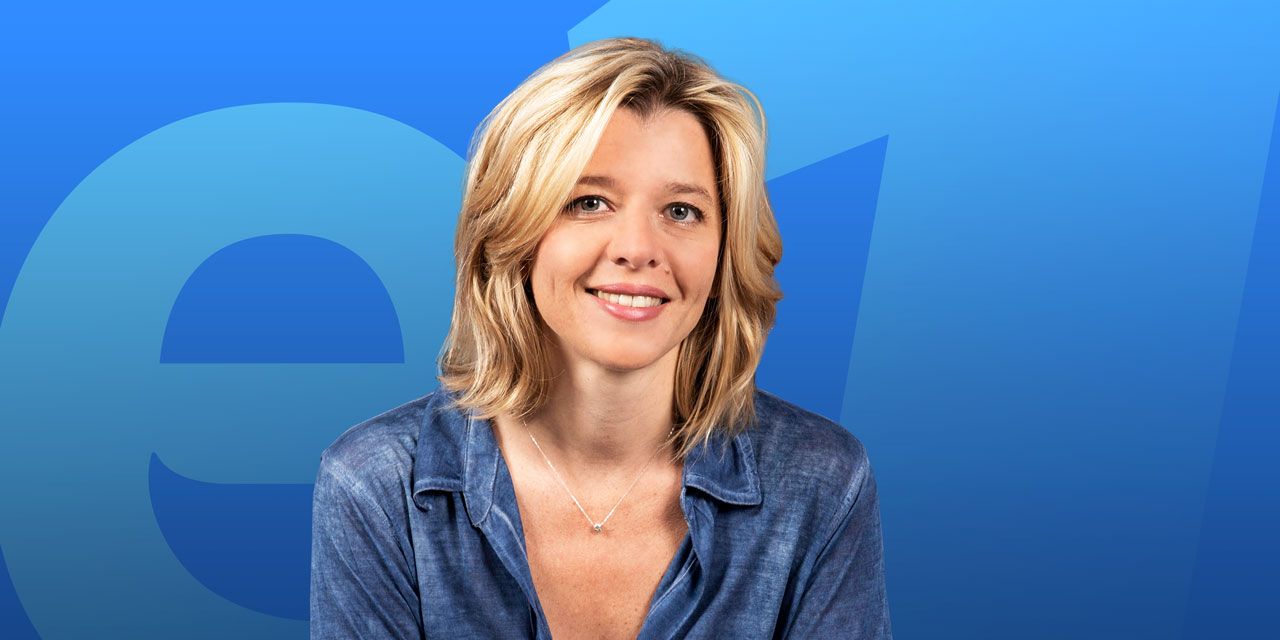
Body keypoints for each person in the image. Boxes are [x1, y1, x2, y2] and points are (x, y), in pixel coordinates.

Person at [310, 37, 892, 639]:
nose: (638, 249)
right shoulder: (378, 486)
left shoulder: (821, 483)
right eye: (589, 202)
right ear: (513, 233)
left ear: (726, 251)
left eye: (682, 211)